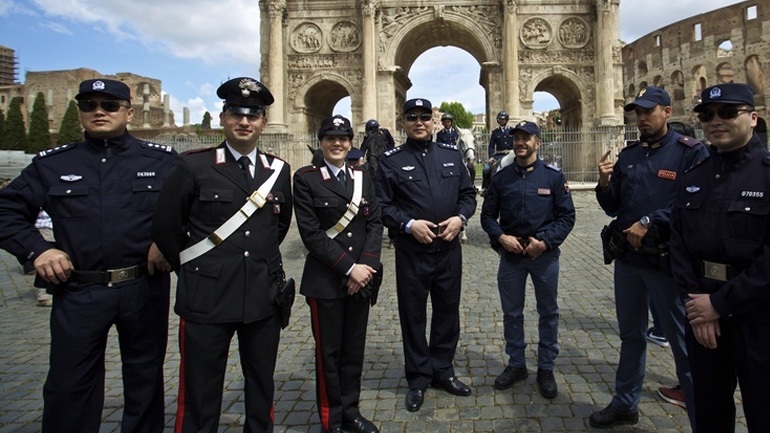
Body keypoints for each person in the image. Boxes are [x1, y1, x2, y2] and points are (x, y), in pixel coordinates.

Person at [0, 78, 176, 433]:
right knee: (69, 384)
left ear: (129, 112)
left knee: (145, 379)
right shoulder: (51, 164)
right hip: (79, 289)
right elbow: (6, 210)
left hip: (142, 286)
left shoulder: (162, 162)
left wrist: (169, 241)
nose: (99, 111)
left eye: (110, 105)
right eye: (89, 105)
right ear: (79, 112)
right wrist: (38, 249)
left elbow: (195, 210)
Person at [152, 77, 293, 433]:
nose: (244, 121)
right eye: (236, 113)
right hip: (207, 297)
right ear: (223, 118)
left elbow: (279, 227)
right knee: (200, 389)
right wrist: (199, 269)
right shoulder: (193, 166)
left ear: (263, 121)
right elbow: (167, 229)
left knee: (261, 384)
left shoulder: (277, 171)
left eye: (253, 114)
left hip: (262, 296)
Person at [590, 86, 708, 429]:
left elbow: (693, 204)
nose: (641, 118)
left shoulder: (690, 153)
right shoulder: (629, 156)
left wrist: (649, 221)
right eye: (637, 112)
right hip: (628, 261)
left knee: (681, 342)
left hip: (665, 262)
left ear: (667, 112)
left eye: (648, 111)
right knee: (631, 336)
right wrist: (603, 182)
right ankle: (626, 403)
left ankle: (704, 416)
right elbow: (614, 207)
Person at [669, 83, 770, 432]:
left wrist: (719, 303)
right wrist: (697, 306)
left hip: (758, 316)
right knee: (709, 411)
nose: (716, 121)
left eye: (728, 112)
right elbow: (679, 244)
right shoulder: (695, 176)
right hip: (702, 311)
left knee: (764, 410)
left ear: (753, 118)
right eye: (708, 115)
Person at [375, 98, 477, 412]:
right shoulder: (389, 160)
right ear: (403, 122)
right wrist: (407, 224)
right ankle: (418, 378)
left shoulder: (450, 154)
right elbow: (381, 205)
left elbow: (468, 195)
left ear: (433, 121)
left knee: (448, 313)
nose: (419, 122)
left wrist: (460, 218)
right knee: (413, 316)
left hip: (447, 250)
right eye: (412, 117)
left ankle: (442, 370)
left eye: (424, 116)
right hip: (411, 252)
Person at [294, 115, 383, 433]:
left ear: (350, 143)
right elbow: (311, 234)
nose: (337, 143)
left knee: (353, 350)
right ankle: (330, 419)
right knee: (328, 353)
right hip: (326, 280)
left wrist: (366, 266)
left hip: (361, 278)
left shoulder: (363, 176)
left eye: (343, 138)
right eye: (330, 138)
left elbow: (375, 223)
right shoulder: (305, 179)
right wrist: (350, 268)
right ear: (321, 142)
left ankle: (351, 411)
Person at [480, 121, 575, 398]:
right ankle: (517, 364)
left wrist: (544, 242)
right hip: (511, 255)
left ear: (538, 142)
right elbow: (487, 216)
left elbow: (567, 216)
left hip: (543, 255)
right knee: (512, 313)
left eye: (526, 138)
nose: (520, 142)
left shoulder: (553, 177)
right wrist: (501, 237)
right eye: (517, 138)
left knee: (548, 313)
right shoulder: (501, 178)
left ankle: (546, 367)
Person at [482, 111, 514, 193]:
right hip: (499, 154)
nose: (501, 121)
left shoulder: (512, 131)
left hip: (511, 154)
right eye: (499, 119)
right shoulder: (495, 132)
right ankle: (486, 187)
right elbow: (491, 146)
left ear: (506, 120)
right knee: (486, 169)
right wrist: (491, 157)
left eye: (503, 119)